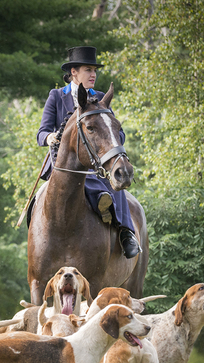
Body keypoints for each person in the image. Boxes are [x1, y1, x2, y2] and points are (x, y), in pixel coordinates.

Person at [36, 46, 141, 259]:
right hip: (63, 165)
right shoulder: (56, 96)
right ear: (73, 72)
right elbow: (41, 132)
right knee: (39, 200)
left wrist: (112, 144)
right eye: (88, 69)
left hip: (95, 163)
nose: (93, 74)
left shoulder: (101, 98)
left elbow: (116, 133)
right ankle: (34, 232)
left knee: (116, 186)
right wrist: (50, 137)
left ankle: (126, 233)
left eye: (94, 70)